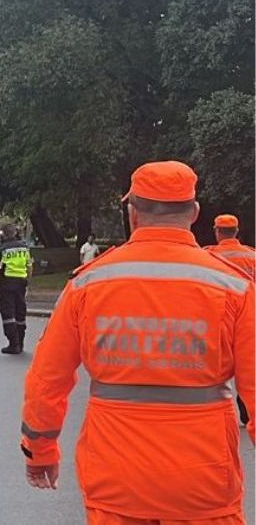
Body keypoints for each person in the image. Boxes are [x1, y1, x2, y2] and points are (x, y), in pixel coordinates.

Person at [20, 160, 254, 524]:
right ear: (193, 213)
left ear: (132, 213)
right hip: (203, 476)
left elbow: (47, 378)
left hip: (115, 473)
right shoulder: (233, 286)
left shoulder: (88, 284)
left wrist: (40, 451)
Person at [205, 213, 255, 427]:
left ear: (217, 232)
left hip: (218, 316)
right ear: (236, 231)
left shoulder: (208, 256)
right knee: (250, 365)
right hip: (250, 314)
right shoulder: (252, 256)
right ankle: (247, 411)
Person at [0, 223, 33, 354]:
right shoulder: (24, 248)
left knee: (8, 314)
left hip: (7, 283)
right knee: (20, 312)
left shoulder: (2, 249)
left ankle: (13, 344)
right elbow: (30, 267)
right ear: (16, 233)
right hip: (21, 282)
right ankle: (20, 343)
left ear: (3, 234)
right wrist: (27, 282)